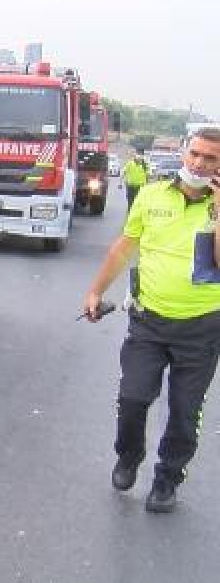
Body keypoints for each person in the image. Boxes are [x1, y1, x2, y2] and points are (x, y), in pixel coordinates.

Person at [82, 127, 220, 513]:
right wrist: (96, 291)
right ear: (183, 153)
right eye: (196, 154)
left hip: (202, 328)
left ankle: (167, 480)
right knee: (133, 399)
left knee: (184, 413)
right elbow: (124, 248)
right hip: (149, 322)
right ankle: (129, 456)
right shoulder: (151, 195)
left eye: (211, 158)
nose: (200, 163)